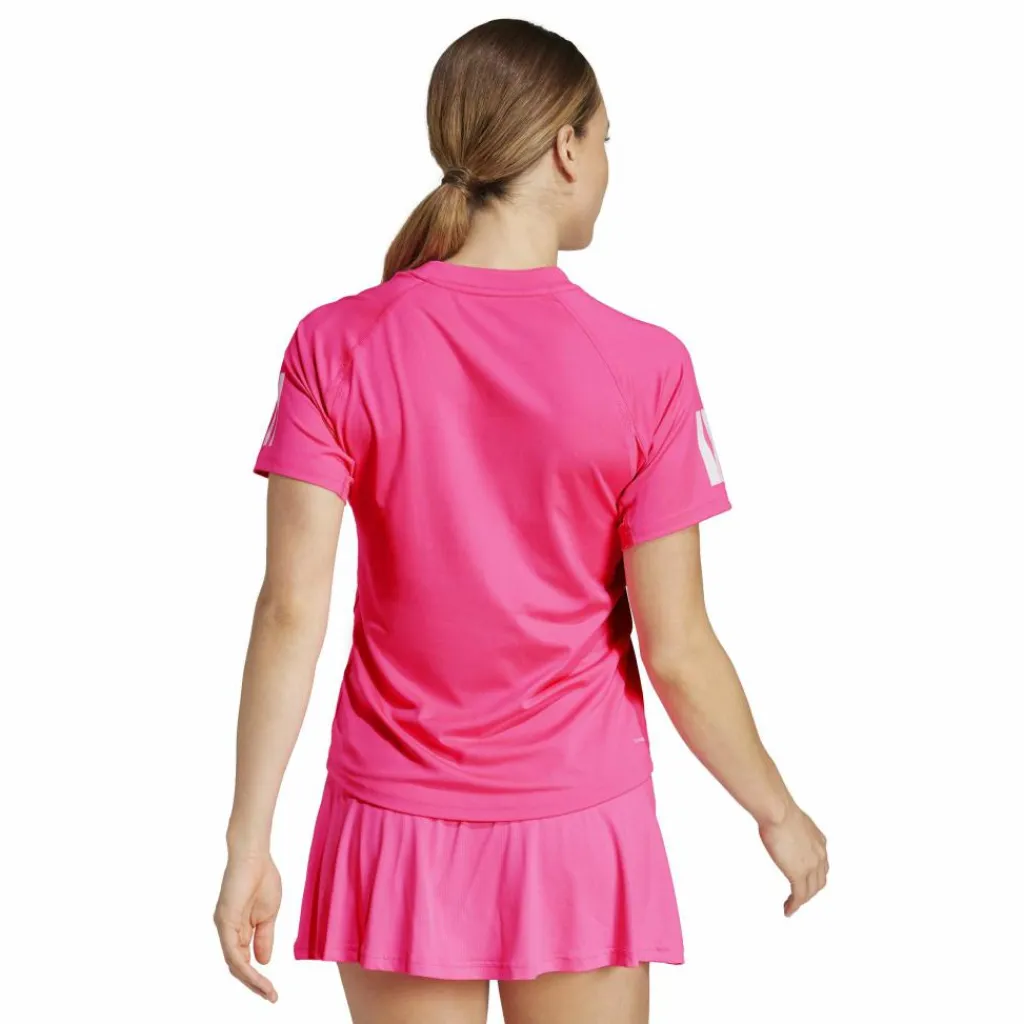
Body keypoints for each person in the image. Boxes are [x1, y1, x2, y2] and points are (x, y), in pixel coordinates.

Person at [213, 16, 827, 1024]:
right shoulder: (646, 366)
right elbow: (677, 648)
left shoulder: (336, 343)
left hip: (394, 822)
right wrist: (777, 810)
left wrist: (249, 840)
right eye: (607, 138)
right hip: (579, 823)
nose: (607, 164)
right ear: (566, 148)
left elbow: (291, 610)